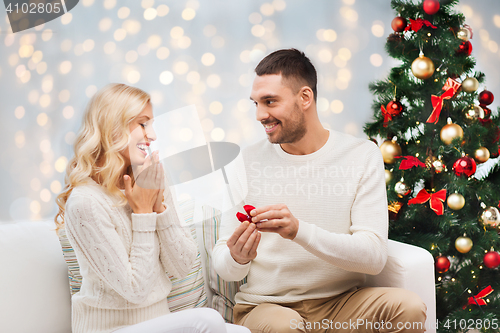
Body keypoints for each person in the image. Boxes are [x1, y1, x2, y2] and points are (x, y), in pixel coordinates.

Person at [212, 49, 427, 333]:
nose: (260, 115)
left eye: (269, 102)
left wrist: (299, 231)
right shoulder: (244, 163)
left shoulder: (361, 155)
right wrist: (237, 257)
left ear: (305, 97)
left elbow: (374, 257)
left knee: (408, 307)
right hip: (269, 307)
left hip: (343, 304)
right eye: (255, 103)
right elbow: (224, 265)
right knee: (286, 327)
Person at [55, 83, 250, 333]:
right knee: (209, 321)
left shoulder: (151, 177)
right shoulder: (85, 203)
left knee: (240, 332)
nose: (153, 135)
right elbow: (135, 290)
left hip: (159, 323)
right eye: (143, 124)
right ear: (112, 128)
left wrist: (160, 209)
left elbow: (182, 266)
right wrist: (143, 214)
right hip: (110, 328)